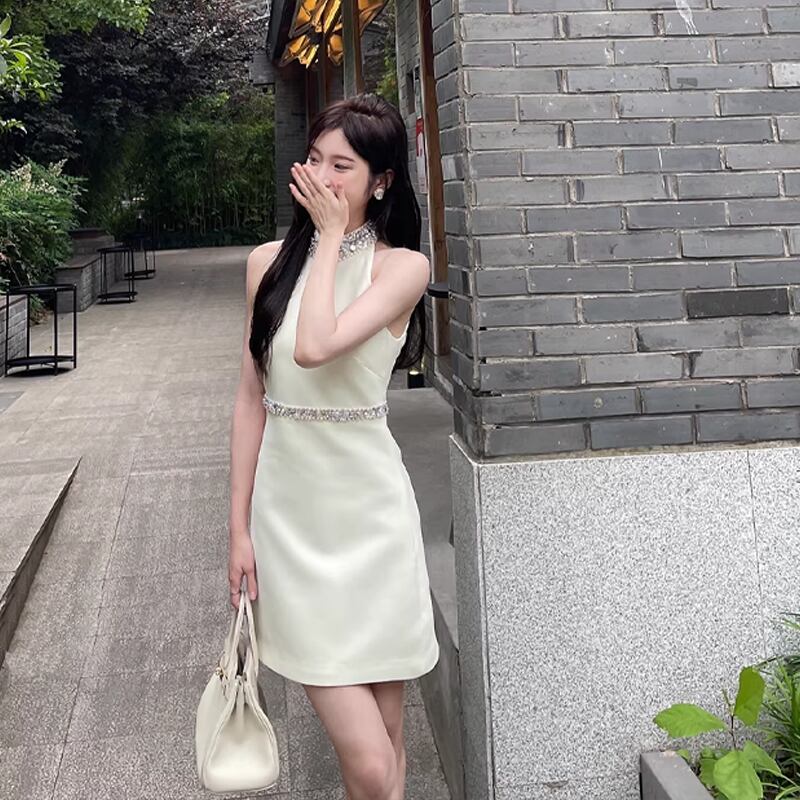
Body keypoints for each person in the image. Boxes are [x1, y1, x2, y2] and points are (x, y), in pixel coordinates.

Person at [227, 92, 441, 800]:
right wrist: (237, 529)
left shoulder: (401, 269)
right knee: (372, 763)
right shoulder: (265, 263)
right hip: (291, 523)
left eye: (341, 165)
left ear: (381, 181)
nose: (320, 176)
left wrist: (325, 241)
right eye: (314, 159)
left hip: (373, 521)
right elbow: (252, 398)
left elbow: (318, 344)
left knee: (387, 749)